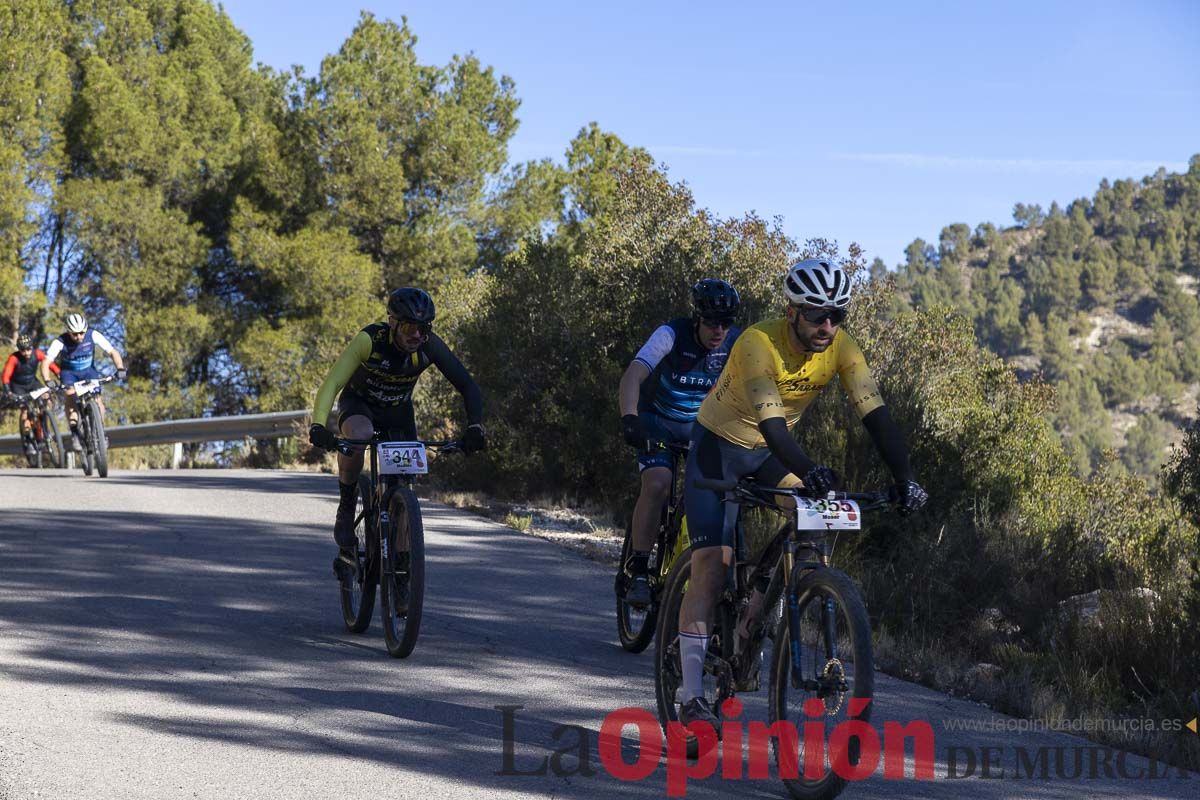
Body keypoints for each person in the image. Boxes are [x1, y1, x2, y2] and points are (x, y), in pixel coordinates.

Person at [674, 258, 928, 727]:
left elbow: (877, 416)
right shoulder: (757, 344)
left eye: (838, 315)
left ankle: (761, 609)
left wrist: (904, 478)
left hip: (770, 455)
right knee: (712, 564)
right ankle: (689, 695)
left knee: (818, 517)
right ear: (792, 311)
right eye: (816, 314)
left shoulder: (842, 348)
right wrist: (810, 470)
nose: (828, 326)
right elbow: (773, 427)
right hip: (718, 450)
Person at [308, 287, 486, 564]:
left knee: (405, 483)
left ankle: (403, 563)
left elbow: (467, 385)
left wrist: (475, 426)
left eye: (423, 328)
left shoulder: (429, 345)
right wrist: (318, 425)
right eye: (409, 327)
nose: (417, 335)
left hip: (398, 413)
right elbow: (333, 382)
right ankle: (345, 507)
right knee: (360, 437)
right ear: (392, 322)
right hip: (359, 405)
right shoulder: (370, 340)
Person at [616, 279, 743, 609]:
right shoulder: (671, 335)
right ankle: (640, 569)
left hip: (700, 428)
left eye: (726, 323)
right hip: (657, 421)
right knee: (658, 484)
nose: (719, 331)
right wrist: (629, 418)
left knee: (717, 491)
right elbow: (633, 375)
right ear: (697, 318)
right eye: (712, 322)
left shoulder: (737, 344)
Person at [40, 313, 127, 449]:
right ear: (68, 331)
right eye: (75, 334)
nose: (79, 337)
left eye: (81, 333)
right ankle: (75, 432)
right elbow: (46, 362)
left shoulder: (93, 335)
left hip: (88, 372)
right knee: (70, 396)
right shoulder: (60, 342)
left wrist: (120, 368)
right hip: (69, 374)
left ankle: (100, 431)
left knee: (98, 400)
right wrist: (47, 380)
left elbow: (112, 352)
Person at [2, 334, 61, 457]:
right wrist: (8, 392)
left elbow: (50, 364)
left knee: (47, 396)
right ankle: (28, 438)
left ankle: (46, 415)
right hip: (18, 387)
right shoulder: (14, 358)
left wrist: (59, 374)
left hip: (33, 382)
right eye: (23, 350)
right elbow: (5, 376)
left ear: (32, 347)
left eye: (28, 349)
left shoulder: (37, 353)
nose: (27, 352)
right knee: (25, 411)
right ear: (19, 349)